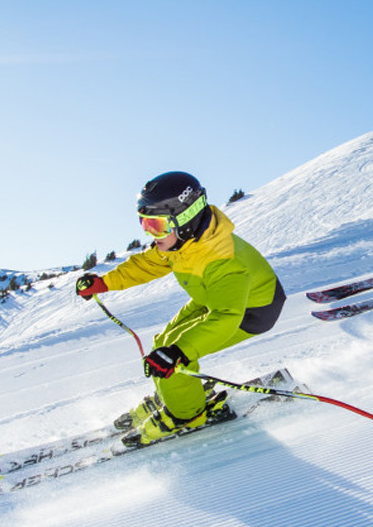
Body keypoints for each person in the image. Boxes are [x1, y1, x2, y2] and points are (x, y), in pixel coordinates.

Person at [75, 171, 286, 447]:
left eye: (157, 225)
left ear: (185, 219)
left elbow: (226, 317)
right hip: (212, 298)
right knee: (163, 345)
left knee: (175, 355)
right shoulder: (182, 242)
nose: (150, 233)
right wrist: (104, 283)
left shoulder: (222, 260)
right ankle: (178, 394)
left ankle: (187, 415)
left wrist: (179, 353)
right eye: (145, 224)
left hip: (251, 310)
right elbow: (148, 264)